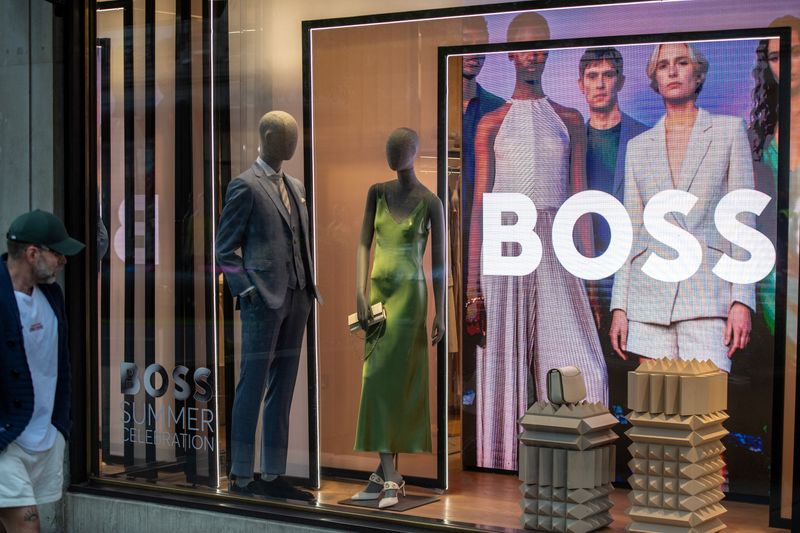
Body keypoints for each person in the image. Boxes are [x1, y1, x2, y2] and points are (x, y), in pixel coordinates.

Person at [466, 12, 608, 471]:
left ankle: (573, 469)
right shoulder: (491, 122)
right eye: (524, 46)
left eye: (540, 46)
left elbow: (581, 202)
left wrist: (591, 280)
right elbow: (480, 205)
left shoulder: (569, 119)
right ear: (510, 54)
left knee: (582, 369)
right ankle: (503, 463)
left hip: (555, 249)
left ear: (548, 53)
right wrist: (472, 289)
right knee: (503, 369)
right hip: (505, 246)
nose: (532, 54)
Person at [609, 42, 755, 372]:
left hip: (708, 300)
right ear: (655, 78)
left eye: (682, 62)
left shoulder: (729, 131)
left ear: (698, 73)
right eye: (663, 65)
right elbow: (630, 233)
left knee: (706, 416)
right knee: (653, 416)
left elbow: (743, 222)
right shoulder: (638, 147)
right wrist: (620, 306)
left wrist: (741, 300)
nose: (673, 71)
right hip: (648, 306)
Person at [216, 111, 322, 502]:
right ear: (266, 136)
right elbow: (223, 249)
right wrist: (246, 291)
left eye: (295, 136)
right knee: (252, 384)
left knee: (284, 387)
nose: (292, 144)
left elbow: (298, 239)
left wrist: (309, 286)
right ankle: (242, 474)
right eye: (285, 136)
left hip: (297, 296)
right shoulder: (245, 186)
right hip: (264, 298)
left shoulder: (294, 185)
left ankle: (273, 471)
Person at [351, 127, 445, 509]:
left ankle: (388, 476)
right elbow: (362, 243)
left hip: (409, 303)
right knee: (376, 381)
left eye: (401, 148)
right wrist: (358, 290)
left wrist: (443, 312)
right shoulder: (376, 192)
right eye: (390, 147)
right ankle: (386, 474)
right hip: (377, 299)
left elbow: (439, 262)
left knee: (401, 385)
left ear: (415, 152)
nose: (393, 153)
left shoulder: (430, 201)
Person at [0, 210, 84, 533]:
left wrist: (61, 424)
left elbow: (61, 365)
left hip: (45, 436)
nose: (63, 260)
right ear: (33, 254)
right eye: (57, 253)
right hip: (7, 439)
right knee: (27, 526)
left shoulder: (52, 295)